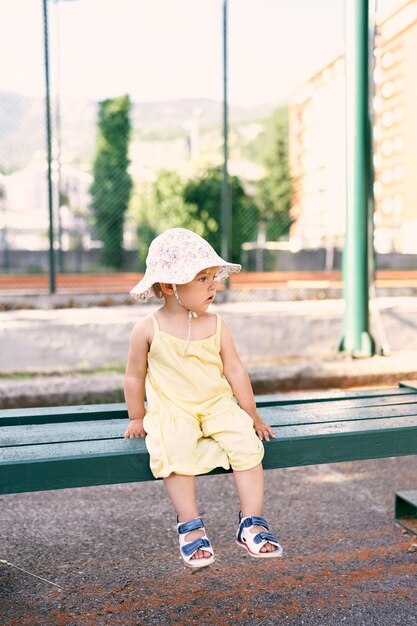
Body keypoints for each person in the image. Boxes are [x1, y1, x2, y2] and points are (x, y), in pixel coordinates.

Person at [124, 228, 283, 568]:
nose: (214, 285)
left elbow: (235, 371)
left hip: (216, 406)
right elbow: (134, 375)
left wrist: (252, 415)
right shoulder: (147, 328)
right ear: (169, 287)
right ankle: (190, 525)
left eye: (213, 277)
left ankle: (251, 520)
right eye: (202, 279)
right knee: (175, 451)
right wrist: (137, 417)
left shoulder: (216, 324)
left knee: (246, 444)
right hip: (174, 410)